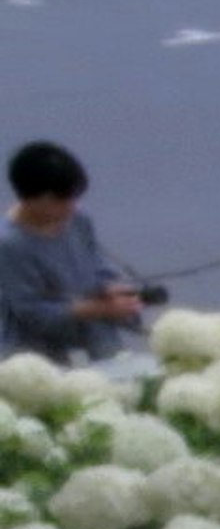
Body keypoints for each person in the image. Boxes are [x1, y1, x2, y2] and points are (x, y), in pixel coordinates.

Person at [0, 142, 149, 370]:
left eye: (72, 198)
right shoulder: (10, 244)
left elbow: (97, 266)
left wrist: (110, 287)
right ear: (30, 198)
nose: (69, 207)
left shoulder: (78, 220)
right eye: (59, 201)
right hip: (34, 351)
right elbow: (32, 313)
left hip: (94, 333)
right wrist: (97, 308)